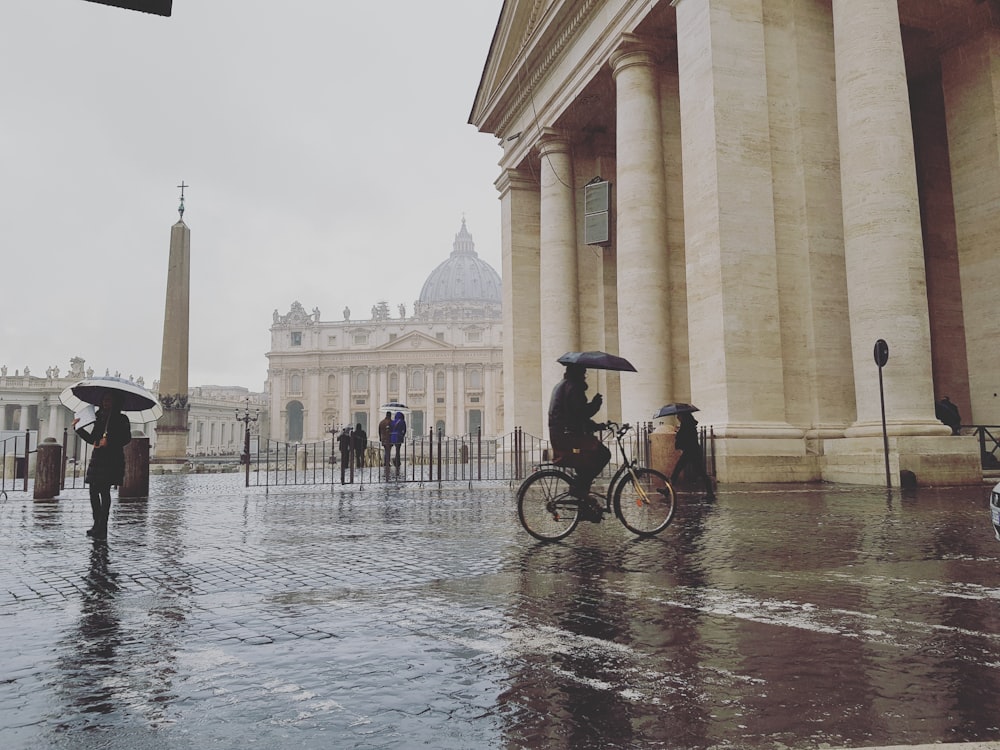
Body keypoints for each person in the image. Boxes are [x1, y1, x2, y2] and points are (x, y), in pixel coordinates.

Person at [548, 364, 611, 520]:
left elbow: (573, 415)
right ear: (577, 373)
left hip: (562, 434)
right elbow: (581, 413)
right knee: (604, 454)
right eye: (583, 373)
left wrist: (596, 426)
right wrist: (596, 403)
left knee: (586, 464)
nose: (585, 376)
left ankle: (584, 504)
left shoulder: (562, 386)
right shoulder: (574, 387)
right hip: (569, 437)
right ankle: (580, 491)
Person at [74, 391, 131, 541]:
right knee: (93, 492)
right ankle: (96, 523)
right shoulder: (99, 417)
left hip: (112, 459)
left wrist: (110, 441)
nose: (106, 403)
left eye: (109, 400)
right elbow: (92, 438)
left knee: (104, 493)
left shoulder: (121, 419)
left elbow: (126, 438)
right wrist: (78, 429)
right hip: (98, 458)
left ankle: (102, 526)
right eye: (104, 400)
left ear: (115, 402)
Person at [671, 411, 715, 499]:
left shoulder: (686, 426)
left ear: (683, 416)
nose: (677, 417)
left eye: (678, 415)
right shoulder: (688, 425)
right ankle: (667, 489)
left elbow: (684, 438)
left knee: (700, 472)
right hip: (691, 451)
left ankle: (710, 493)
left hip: (692, 452)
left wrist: (678, 432)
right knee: (678, 469)